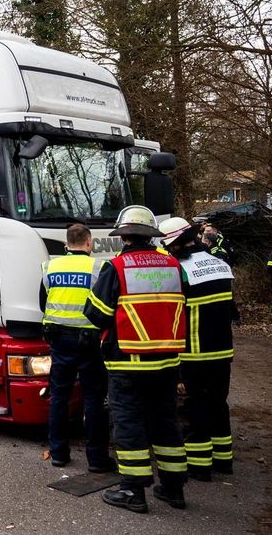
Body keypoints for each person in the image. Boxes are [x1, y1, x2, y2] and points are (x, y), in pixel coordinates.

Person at [85, 206, 189, 513]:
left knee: (129, 423)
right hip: (167, 361)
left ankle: (133, 490)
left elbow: (97, 314)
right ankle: (173, 488)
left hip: (128, 362)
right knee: (165, 421)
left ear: (124, 236)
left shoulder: (116, 268)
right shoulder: (173, 265)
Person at [159, 217, 238, 481]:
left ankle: (199, 465)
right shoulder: (219, 263)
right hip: (222, 349)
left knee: (195, 406)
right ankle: (223, 459)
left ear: (178, 244)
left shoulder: (180, 270)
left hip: (195, 351)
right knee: (218, 403)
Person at [38, 224, 113, 472]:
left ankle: (59, 453)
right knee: (93, 399)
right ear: (89, 242)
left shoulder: (50, 266)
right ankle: (97, 459)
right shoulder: (99, 267)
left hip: (58, 340)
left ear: (66, 243)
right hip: (90, 342)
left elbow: (44, 301)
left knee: (59, 396)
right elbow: (105, 306)